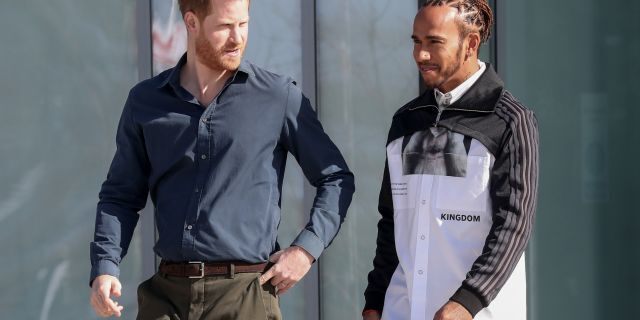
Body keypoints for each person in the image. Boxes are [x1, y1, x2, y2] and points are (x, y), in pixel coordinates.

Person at [88, 0, 355, 318]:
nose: (238, 38)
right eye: (225, 26)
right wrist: (105, 266)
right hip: (166, 296)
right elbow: (119, 196)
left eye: (243, 24)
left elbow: (335, 177)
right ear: (191, 22)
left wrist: (306, 250)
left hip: (245, 296)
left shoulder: (277, 97)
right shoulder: (146, 102)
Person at [363, 1, 538, 320]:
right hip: (402, 311)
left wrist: (468, 302)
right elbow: (392, 220)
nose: (421, 55)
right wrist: (375, 300)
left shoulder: (510, 121)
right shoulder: (407, 121)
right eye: (416, 42)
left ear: (470, 43)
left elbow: (513, 225)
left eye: (434, 42)